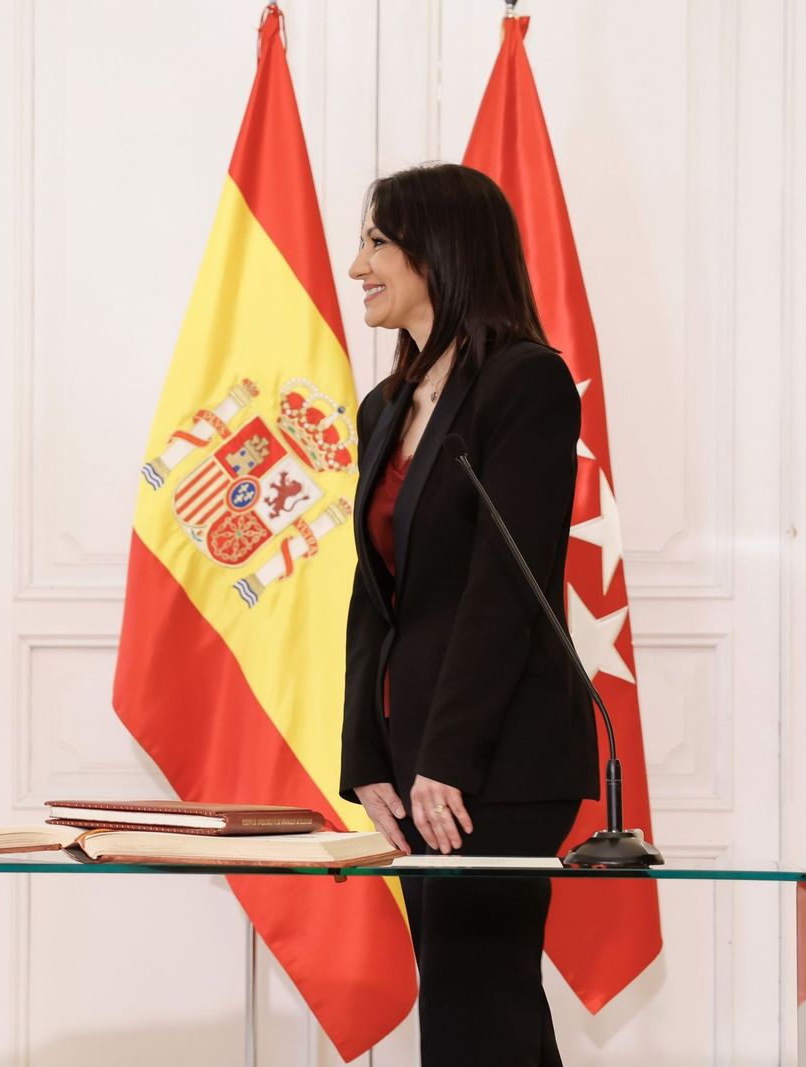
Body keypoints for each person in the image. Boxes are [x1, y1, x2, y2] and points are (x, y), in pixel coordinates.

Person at [338, 162, 598, 1066]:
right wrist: (367, 757)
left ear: (438, 254)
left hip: (500, 756)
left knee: (470, 1004)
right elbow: (373, 594)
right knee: (485, 1003)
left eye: (376, 241)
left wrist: (446, 757)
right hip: (414, 757)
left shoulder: (526, 383)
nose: (356, 264)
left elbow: (504, 586)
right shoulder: (383, 406)